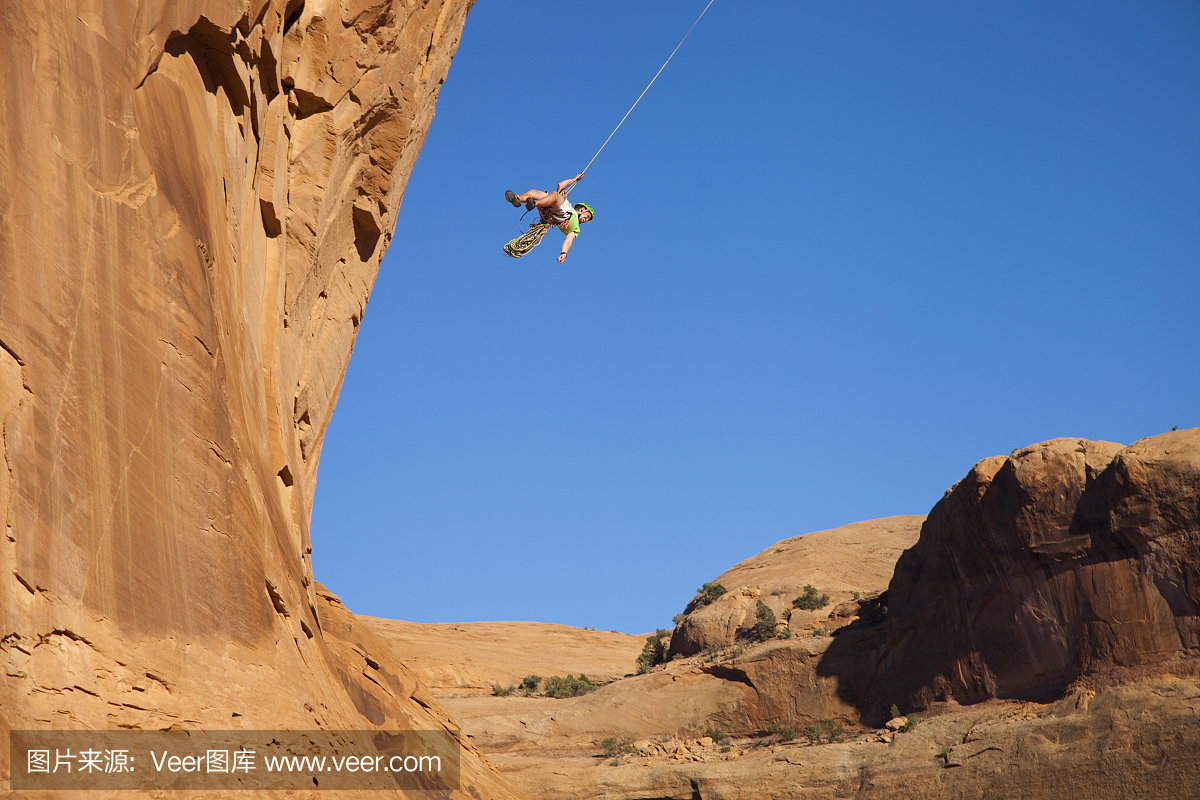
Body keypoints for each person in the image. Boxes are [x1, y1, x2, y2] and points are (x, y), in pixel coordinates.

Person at [505, 174, 594, 262]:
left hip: (557, 216)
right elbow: (561, 185)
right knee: (534, 192)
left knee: (555, 195)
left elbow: (569, 240)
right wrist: (574, 179)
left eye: (587, 220)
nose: (586, 220)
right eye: (587, 217)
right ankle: (517, 198)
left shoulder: (576, 229)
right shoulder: (567, 204)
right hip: (550, 210)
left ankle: (534, 203)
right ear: (582, 209)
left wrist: (564, 253)